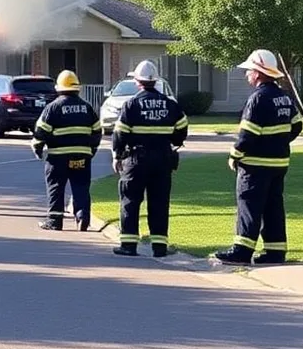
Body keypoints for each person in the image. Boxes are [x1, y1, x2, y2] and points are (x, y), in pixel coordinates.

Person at [214, 49, 303, 265]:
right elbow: (297, 126)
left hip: (255, 166)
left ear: (259, 73)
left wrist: (235, 156)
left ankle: (242, 252)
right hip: (279, 163)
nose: (247, 75)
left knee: (249, 205)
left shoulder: (257, 98)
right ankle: (275, 252)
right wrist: (278, 143)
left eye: (249, 71)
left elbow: (247, 134)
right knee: (273, 206)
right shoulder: (285, 97)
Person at [111, 60, 188, 257]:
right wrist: (171, 140)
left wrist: (117, 155)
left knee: (130, 200)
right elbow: (182, 129)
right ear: (156, 81)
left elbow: (120, 133)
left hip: (136, 160)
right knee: (160, 202)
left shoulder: (131, 104)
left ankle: (128, 245)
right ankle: (159, 247)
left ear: (137, 81)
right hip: (163, 159)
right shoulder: (171, 104)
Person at [31, 70, 101, 231]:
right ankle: (83, 217)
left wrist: (37, 148)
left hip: (58, 157)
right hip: (82, 157)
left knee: (56, 186)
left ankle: (55, 221)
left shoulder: (53, 107)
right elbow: (97, 131)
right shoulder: (87, 107)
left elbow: (41, 131)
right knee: (81, 186)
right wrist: (90, 150)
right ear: (77, 88)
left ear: (59, 88)